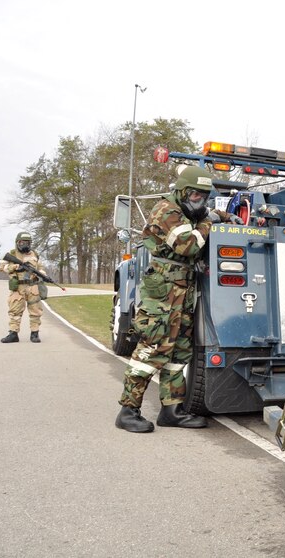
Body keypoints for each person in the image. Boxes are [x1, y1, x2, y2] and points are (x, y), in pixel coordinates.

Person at [115, 166, 239, 433]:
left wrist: (227, 216)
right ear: (182, 191)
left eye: (204, 196)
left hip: (182, 291)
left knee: (179, 351)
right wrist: (210, 221)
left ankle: (171, 409)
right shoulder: (167, 211)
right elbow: (189, 245)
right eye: (195, 195)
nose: (200, 201)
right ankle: (128, 410)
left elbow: (206, 215)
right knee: (153, 348)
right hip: (163, 292)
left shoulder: (190, 211)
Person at [0, 231, 44, 344]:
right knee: (15, 310)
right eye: (22, 242)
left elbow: (41, 268)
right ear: (17, 242)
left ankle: (35, 333)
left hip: (33, 286)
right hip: (17, 287)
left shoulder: (35, 254)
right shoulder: (12, 254)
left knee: (35, 310)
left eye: (27, 242)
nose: (25, 244)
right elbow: (1, 267)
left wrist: (42, 275)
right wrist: (14, 267)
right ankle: (13, 334)